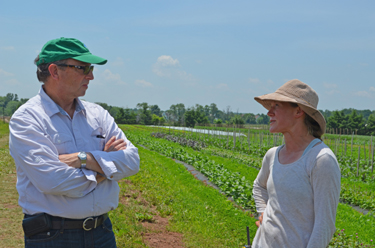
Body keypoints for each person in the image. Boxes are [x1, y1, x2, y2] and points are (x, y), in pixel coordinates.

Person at [9, 37, 140, 248]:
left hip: (102, 232)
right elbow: (53, 181)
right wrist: (106, 168)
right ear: (54, 71)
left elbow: (132, 161)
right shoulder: (27, 119)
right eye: (83, 68)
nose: (91, 76)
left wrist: (83, 159)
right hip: (52, 237)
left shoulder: (98, 115)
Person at [251, 79, 341, 248]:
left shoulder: (320, 160)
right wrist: (263, 212)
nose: (269, 112)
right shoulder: (272, 155)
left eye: (276, 106)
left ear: (298, 111)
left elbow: (324, 227)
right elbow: (259, 186)